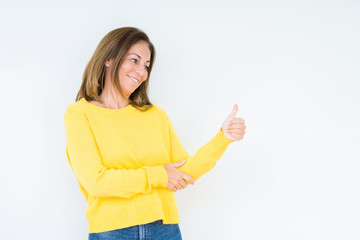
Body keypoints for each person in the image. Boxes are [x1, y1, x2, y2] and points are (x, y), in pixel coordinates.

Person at [63, 27, 246, 240]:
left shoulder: (156, 115)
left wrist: (223, 138)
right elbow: (95, 181)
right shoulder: (79, 113)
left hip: (165, 230)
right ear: (109, 59)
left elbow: (185, 171)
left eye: (146, 66)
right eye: (134, 60)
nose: (141, 72)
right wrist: (159, 175)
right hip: (112, 232)